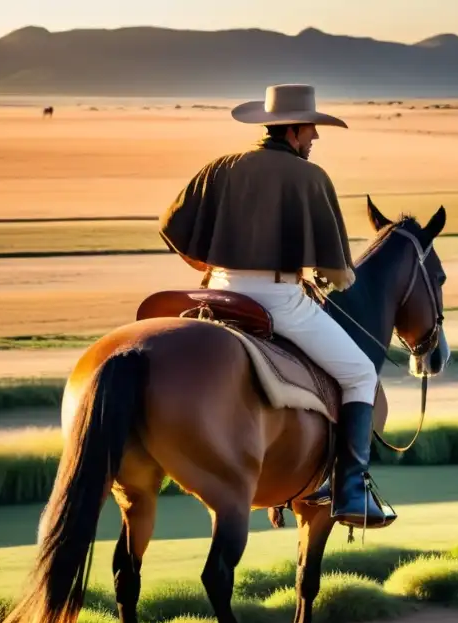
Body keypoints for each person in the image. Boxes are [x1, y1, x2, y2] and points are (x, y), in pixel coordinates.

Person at [158, 83, 389, 528]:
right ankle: (351, 491)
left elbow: (172, 226)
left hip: (217, 290)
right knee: (360, 372)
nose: (315, 139)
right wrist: (332, 275)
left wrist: (208, 263)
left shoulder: (220, 167)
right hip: (277, 298)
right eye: (312, 131)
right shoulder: (310, 177)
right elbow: (337, 273)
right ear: (296, 129)